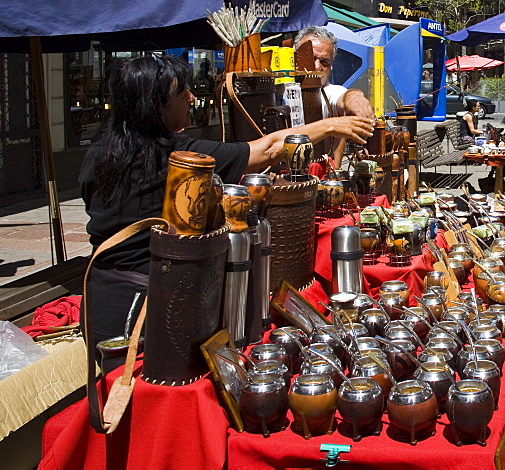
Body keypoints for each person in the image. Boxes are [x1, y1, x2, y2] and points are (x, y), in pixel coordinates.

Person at [80, 55, 373, 356]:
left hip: (98, 296)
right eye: (184, 93)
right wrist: (331, 126)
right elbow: (270, 149)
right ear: (158, 108)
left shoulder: (99, 154)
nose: (192, 98)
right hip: (149, 306)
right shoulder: (180, 159)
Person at [294, 26, 375, 165]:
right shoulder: (281, 91)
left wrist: (354, 97)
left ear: (331, 66)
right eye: (311, 59)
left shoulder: (330, 92)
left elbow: (344, 96)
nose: (317, 67)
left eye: (324, 62)